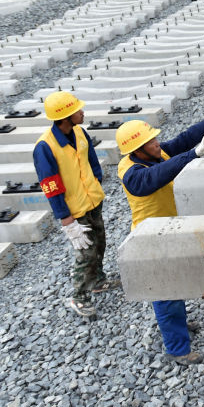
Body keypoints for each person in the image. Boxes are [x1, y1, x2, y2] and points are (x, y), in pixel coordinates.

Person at [115, 93, 204, 366]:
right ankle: (178, 350)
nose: (157, 143)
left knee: (174, 282)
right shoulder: (132, 174)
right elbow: (155, 177)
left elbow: (182, 140)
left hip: (167, 229)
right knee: (164, 292)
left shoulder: (154, 154)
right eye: (151, 142)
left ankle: (178, 325)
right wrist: (194, 155)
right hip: (150, 239)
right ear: (137, 150)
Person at [33, 91, 119, 318]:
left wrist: (96, 182)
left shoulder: (80, 132)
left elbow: (92, 162)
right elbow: (50, 184)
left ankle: (98, 280)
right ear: (65, 117)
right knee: (85, 253)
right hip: (74, 210)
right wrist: (66, 218)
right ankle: (79, 297)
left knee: (100, 243)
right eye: (77, 110)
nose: (82, 112)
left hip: (92, 201)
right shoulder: (45, 147)